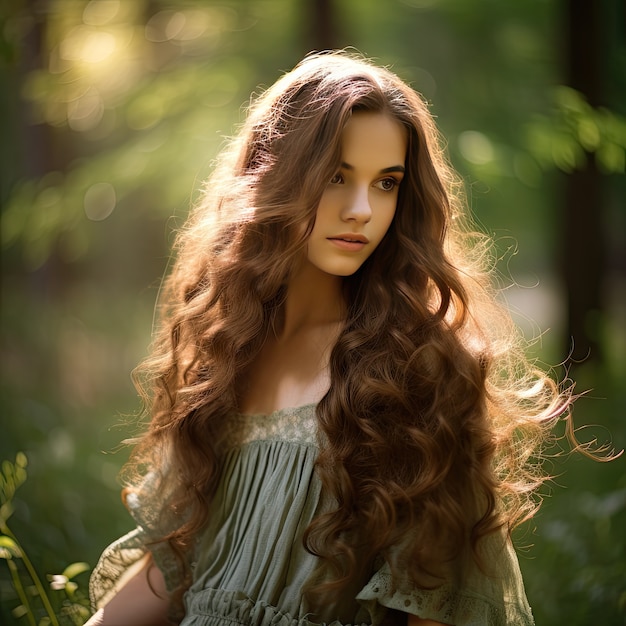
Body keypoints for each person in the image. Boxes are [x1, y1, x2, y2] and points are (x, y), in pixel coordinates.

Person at [86, 51, 573, 626]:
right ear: (275, 173)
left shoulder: (418, 372)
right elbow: (171, 570)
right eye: (337, 177)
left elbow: (437, 607)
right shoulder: (225, 355)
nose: (363, 210)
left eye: (386, 183)